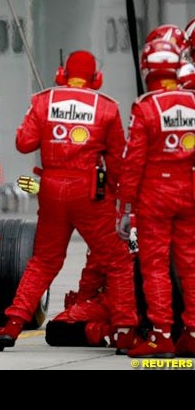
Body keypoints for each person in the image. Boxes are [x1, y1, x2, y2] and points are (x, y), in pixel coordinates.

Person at [0, 49, 138, 353]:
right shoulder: (107, 108)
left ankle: (12, 325)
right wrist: (118, 201)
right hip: (90, 193)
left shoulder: (43, 101)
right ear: (97, 78)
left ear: (62, 74)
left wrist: (38, 117)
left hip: (51, 188)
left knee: (43, 261)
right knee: (117, 261)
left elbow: (23, 142)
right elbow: (119, 164)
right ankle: (124, 334)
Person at [116, 39, 195, 358]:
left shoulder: (146, 106)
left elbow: (133, 161)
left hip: (155, 195)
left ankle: (161, 335)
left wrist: (125, 207)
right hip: (189, 189)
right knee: (190, 264)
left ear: (147, 69)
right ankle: (191, 332)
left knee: (156, 266)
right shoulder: (193, 101)